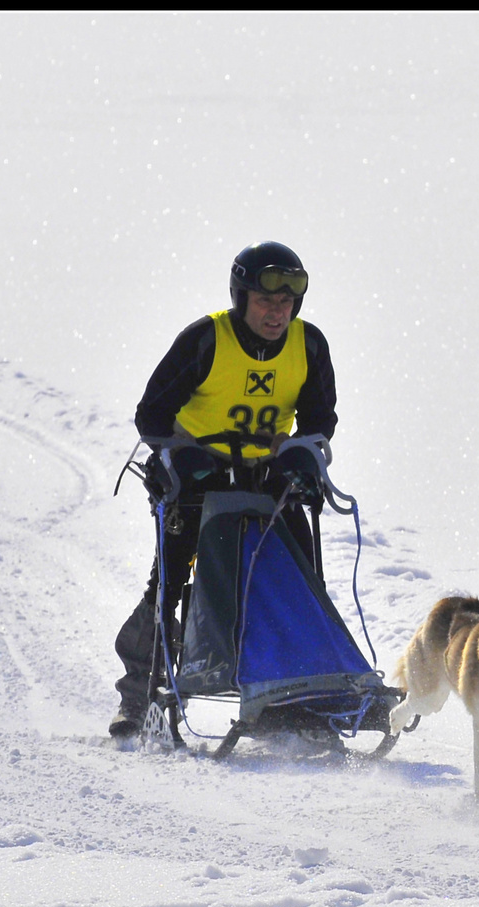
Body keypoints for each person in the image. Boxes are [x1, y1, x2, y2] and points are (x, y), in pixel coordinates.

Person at [109, 241, 339, 739]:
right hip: (197, 480)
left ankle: (295, 698)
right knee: (167, 585)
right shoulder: (205, 340)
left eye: (285, 303)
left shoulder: (310, 346)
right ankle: (138, 697)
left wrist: (302, 455)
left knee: (299, 583)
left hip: (268, 482)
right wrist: (180, 453)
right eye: (265, 301)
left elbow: (321, 422)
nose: (277, 313)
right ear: (241, 297)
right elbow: (151, 414)